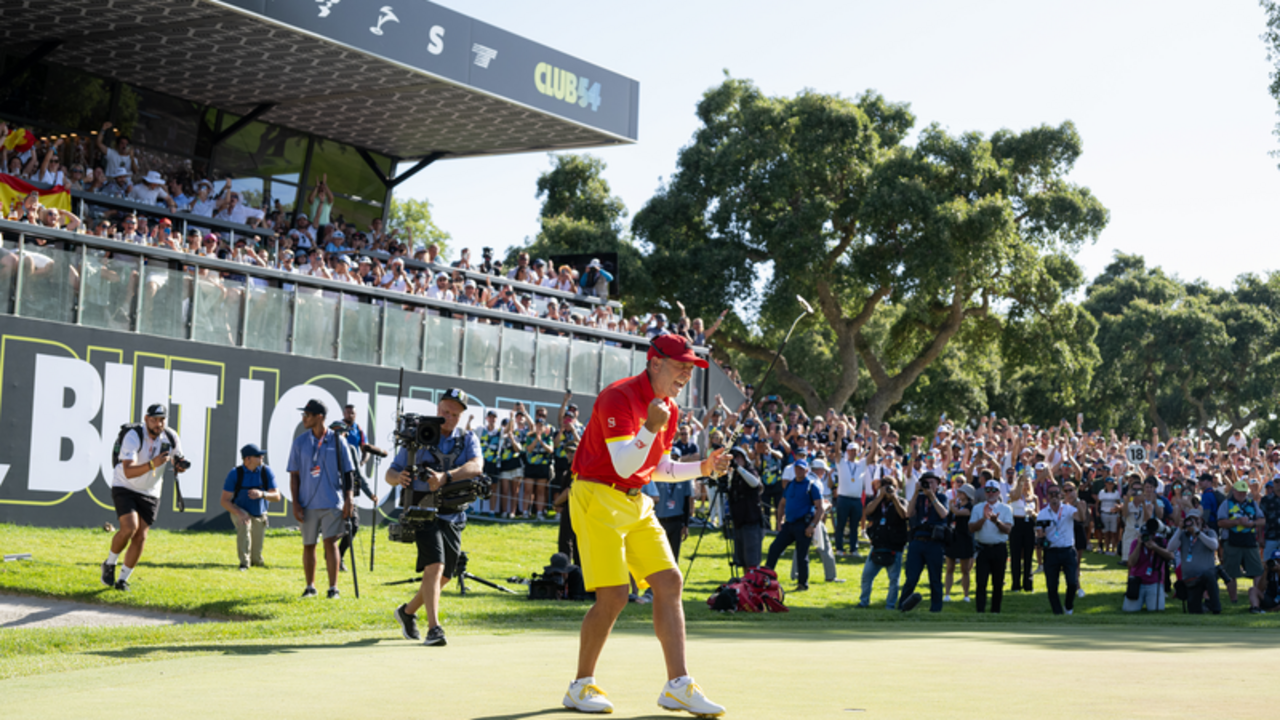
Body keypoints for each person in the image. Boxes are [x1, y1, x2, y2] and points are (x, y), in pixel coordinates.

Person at [561, 333, 729, 717]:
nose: (687, 373)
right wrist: (651, 427)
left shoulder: (667, 409)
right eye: (680, 365)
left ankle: (678, 685)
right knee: (615, 595)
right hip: (596, 496)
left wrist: (702, 468)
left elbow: (661, 467)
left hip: (636, 499)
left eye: (692, 367)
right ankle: (580, 685)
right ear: (654, 363)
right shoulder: (617, 397)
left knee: (669, 581)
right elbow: (622, 463)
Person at [389, 388, 483, 648]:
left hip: (453, 512)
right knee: (435, 566)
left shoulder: (467, 439)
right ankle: (434, 628)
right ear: (438, 408)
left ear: (461, 416)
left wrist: (446, 477)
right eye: (444, 411)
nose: (448, 417)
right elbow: (391, 472)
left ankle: (407, 613)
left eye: (454, 414)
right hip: (422, 509)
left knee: (446, 575)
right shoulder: (419, 435)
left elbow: (477, 466)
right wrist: (400, 478)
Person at [100, 403, 187, 591]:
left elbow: (177, 457)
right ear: (146, 419)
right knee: (130, 528)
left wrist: (179, 465)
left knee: (140, 537)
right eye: (154, 419)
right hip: (125, 485)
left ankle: (122, 580)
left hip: (151, 491)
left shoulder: (171, 436)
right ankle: (109, 563)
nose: (158, 423)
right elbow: (129, 471)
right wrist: (153, 464)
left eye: (162, 419)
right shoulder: (134, 436)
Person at [287, 399, 355, 599]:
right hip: (307, 503)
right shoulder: (299, 442)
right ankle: (310, 587)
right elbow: (294, 475)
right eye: (303, 414)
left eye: (307, 415)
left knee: (330, 543)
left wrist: (349, 498)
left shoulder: (337, 440)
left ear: (320, 417)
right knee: (308, 544)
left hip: (332, 501)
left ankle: (333, 589)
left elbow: (349, 473)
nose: (303, 418)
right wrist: (296, 503)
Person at [763, 459, 825, 592]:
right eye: (797, 468)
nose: (799, 471)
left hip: (804, 524)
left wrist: (812, 525)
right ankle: (766, 579)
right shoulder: (790, 485)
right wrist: (779, 521)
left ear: (807, 470)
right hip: (789, 524)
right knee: (774, 548)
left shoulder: (811, 486)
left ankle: (803, 584)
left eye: (802, 469)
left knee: (802, 556)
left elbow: (820, 508)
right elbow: (782, 504)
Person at [219, 444, 281, 570]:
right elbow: (224, 501)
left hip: (259, 513)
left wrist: (262, 494)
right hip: (240, 510)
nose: (262, 457)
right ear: (248, 459)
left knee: (256, 560)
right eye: (258, 455)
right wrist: (239, 513)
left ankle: (254, 561)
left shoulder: (266, 471)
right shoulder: (235, 473)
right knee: (245, 523)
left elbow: (277, 496)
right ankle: (244, 564)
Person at [898, 471, 949, 612]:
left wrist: (931, 496)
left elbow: (944, 513)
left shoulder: (941, 497)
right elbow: (908, 514)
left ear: (938, 484)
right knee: (911, 578)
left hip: (934, 542)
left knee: (935, 578)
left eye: (932, 482)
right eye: (925, 482)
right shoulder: (918, 498)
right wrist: (915, 492)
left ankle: (936, 609)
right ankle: (903, 606)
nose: (929, 485)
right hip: (917, 541)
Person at [857, 476, 908, 609]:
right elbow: (868, 511)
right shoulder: (877, 502)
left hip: (894, 546)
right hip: (877, 545)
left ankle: (890, 605)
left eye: (891, 486)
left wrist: (894, 498)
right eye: (885, 486)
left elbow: (904, 515)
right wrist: (880, 496)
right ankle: (864, 602)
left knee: (893, 579)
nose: (888, 489)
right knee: (866, 576)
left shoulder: (901, 501)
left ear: (896, 488)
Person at [1036, 483, 1085, 615]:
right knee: (1052, 586)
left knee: (1072, 582)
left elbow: (1081, 518)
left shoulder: (1068, 509)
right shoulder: (1043, 513)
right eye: (1051, 493)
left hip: (1067, 550)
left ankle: (1068, 606)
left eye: (1056, 493)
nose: (1054, 496)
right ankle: (1057, 612)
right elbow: (1039, 533)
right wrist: (1042, 535)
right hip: (1051, 551)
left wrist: (1077, 501)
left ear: (1060, 495)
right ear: (1048, 496)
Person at [969, 479, 1013, 613]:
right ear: (984, 491)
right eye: (988, 490)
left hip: (999, 548)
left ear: (999, 492)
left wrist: (996, 521)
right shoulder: (977, 507)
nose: (991, 493)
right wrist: (983, 518)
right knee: (981, 582)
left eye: (994, 490)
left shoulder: (1006, 508)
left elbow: (1008, 529)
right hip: (982, 548)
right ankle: (980, 611)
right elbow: (971, 528)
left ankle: (995, 611)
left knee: (998, 583)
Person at [1218, 480, 1265, 603]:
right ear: (1233, 491)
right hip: (1232, 542)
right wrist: (1237, 522)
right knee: (1231, 573)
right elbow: (1220, 522)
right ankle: (1234, 600)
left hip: (1250, 542)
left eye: (1244, 492)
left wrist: (1252, 524)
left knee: (1257, 571)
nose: (1242, 494)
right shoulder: (1226, 504)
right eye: (1239, 492)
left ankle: (1257, 597)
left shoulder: (1253, 503)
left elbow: (1262, 520)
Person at [1167, 512, 1220, 614]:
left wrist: (1198, 532)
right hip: (1190, 578)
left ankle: (1216, 607)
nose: (1193, 522)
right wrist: (1179, 529)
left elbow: (1214, 546)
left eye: (1195, 519)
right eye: (1190, 519)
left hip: (1206, 575)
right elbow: (1170, 548)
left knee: (1209, 575)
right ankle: (1203, 606)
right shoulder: (1183, 535)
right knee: (1194, 610)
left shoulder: (1209, 533)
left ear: (1201, 520)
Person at [725, 446, 765, 569]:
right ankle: (745, 585)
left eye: (738, 457)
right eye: (733, 457)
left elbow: (755, 483)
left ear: (744, 458)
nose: (735, 460)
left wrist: (738, 467)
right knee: (741, 560)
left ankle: (752, 584)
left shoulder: (749, 470)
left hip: (751, 521)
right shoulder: (734, 476)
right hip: (739, 522)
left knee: (752, 560)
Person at [1123, 518, 1173, 612]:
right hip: (1137, 582)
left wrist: (1156, 547)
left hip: (1154, 582)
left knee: (1156, 610)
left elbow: (1171, 556)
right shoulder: (1135, 542)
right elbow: (1131, 563)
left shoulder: (1160, 542)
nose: (1147, 538)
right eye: (1144, 535)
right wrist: (1138, 545)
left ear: (1153, 535)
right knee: (1129, 610)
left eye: (1149, 535)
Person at [1248, 550, 1280, 614]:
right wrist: (1265, 571)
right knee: (1253, 590)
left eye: (1279, 561)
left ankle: (1272, 609)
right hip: (1270, 598)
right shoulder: (1269, 571)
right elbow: (1260, 588)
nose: (1277, 563)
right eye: (1275, 561)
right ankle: (1255, 608)